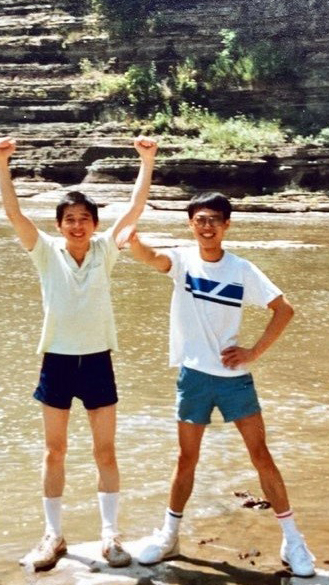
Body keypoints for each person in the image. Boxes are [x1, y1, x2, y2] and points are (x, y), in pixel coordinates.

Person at [126, 191, 316, 577]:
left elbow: (284, 309)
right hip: (193, 377)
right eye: (199, 220)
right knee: (186, 459)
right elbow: (150, 257)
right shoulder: (182, 261)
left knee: (261, 455)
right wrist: (132, 239)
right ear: (190, 224)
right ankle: (170, 536)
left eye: (214, 219)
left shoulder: (242, 269)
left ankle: (292, 540)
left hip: (234, 380)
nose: (206, 226)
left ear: (227, 224)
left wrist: (255, 351)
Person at [0, 134, 158, 571]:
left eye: (85, 218)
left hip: (98, 359)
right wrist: (1, 161)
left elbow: (135, 209)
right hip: (58, 361)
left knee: (106, 452)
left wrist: (147, 161)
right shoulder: (45, 252)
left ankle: (110, 536)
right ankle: (53, 535)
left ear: (95, 224)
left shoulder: (106, 252)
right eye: (70, 219)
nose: (78, 225)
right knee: (55, 450)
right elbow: (13, 213)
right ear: (60, 224)